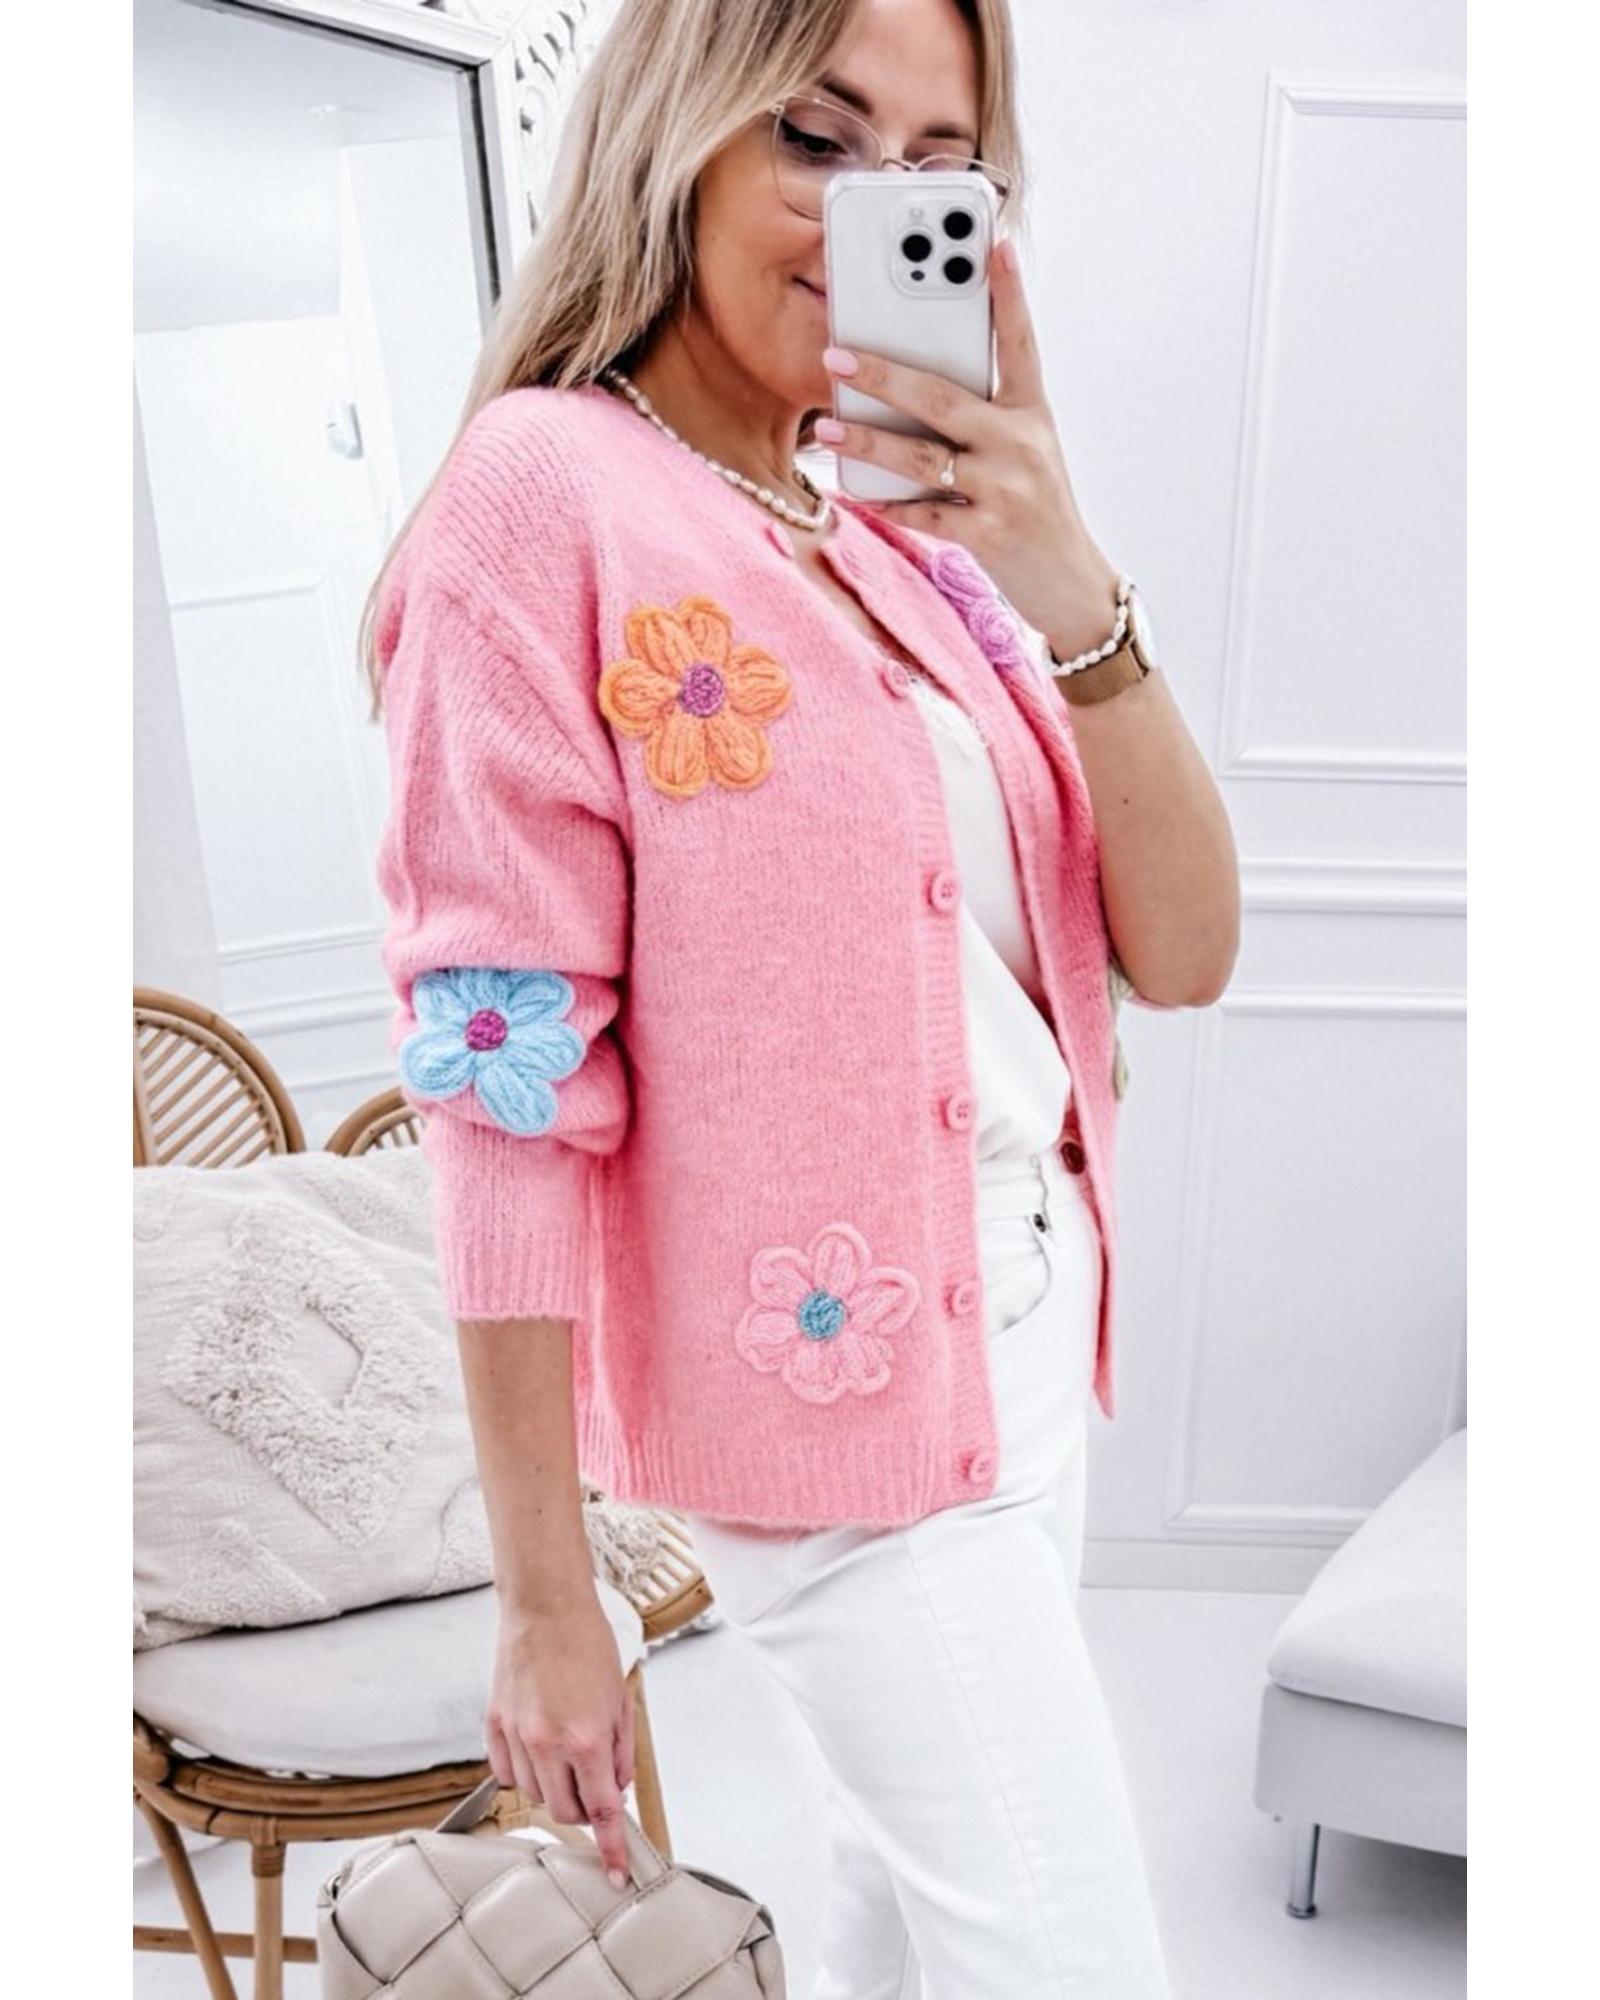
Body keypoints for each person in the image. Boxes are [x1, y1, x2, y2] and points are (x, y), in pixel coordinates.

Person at [365, 1, 1238, 1991]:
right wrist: (545, 1597)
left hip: (1025, 1340)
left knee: (903, 1922)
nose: (874, 215)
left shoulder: (904, 538)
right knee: (1068, 1953)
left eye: (937, 170)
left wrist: (1061, 566)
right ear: (674, 138)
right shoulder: (545, 494)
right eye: (817, 142)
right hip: (826, 1398)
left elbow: (1184, 951)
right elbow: (503, 1079)